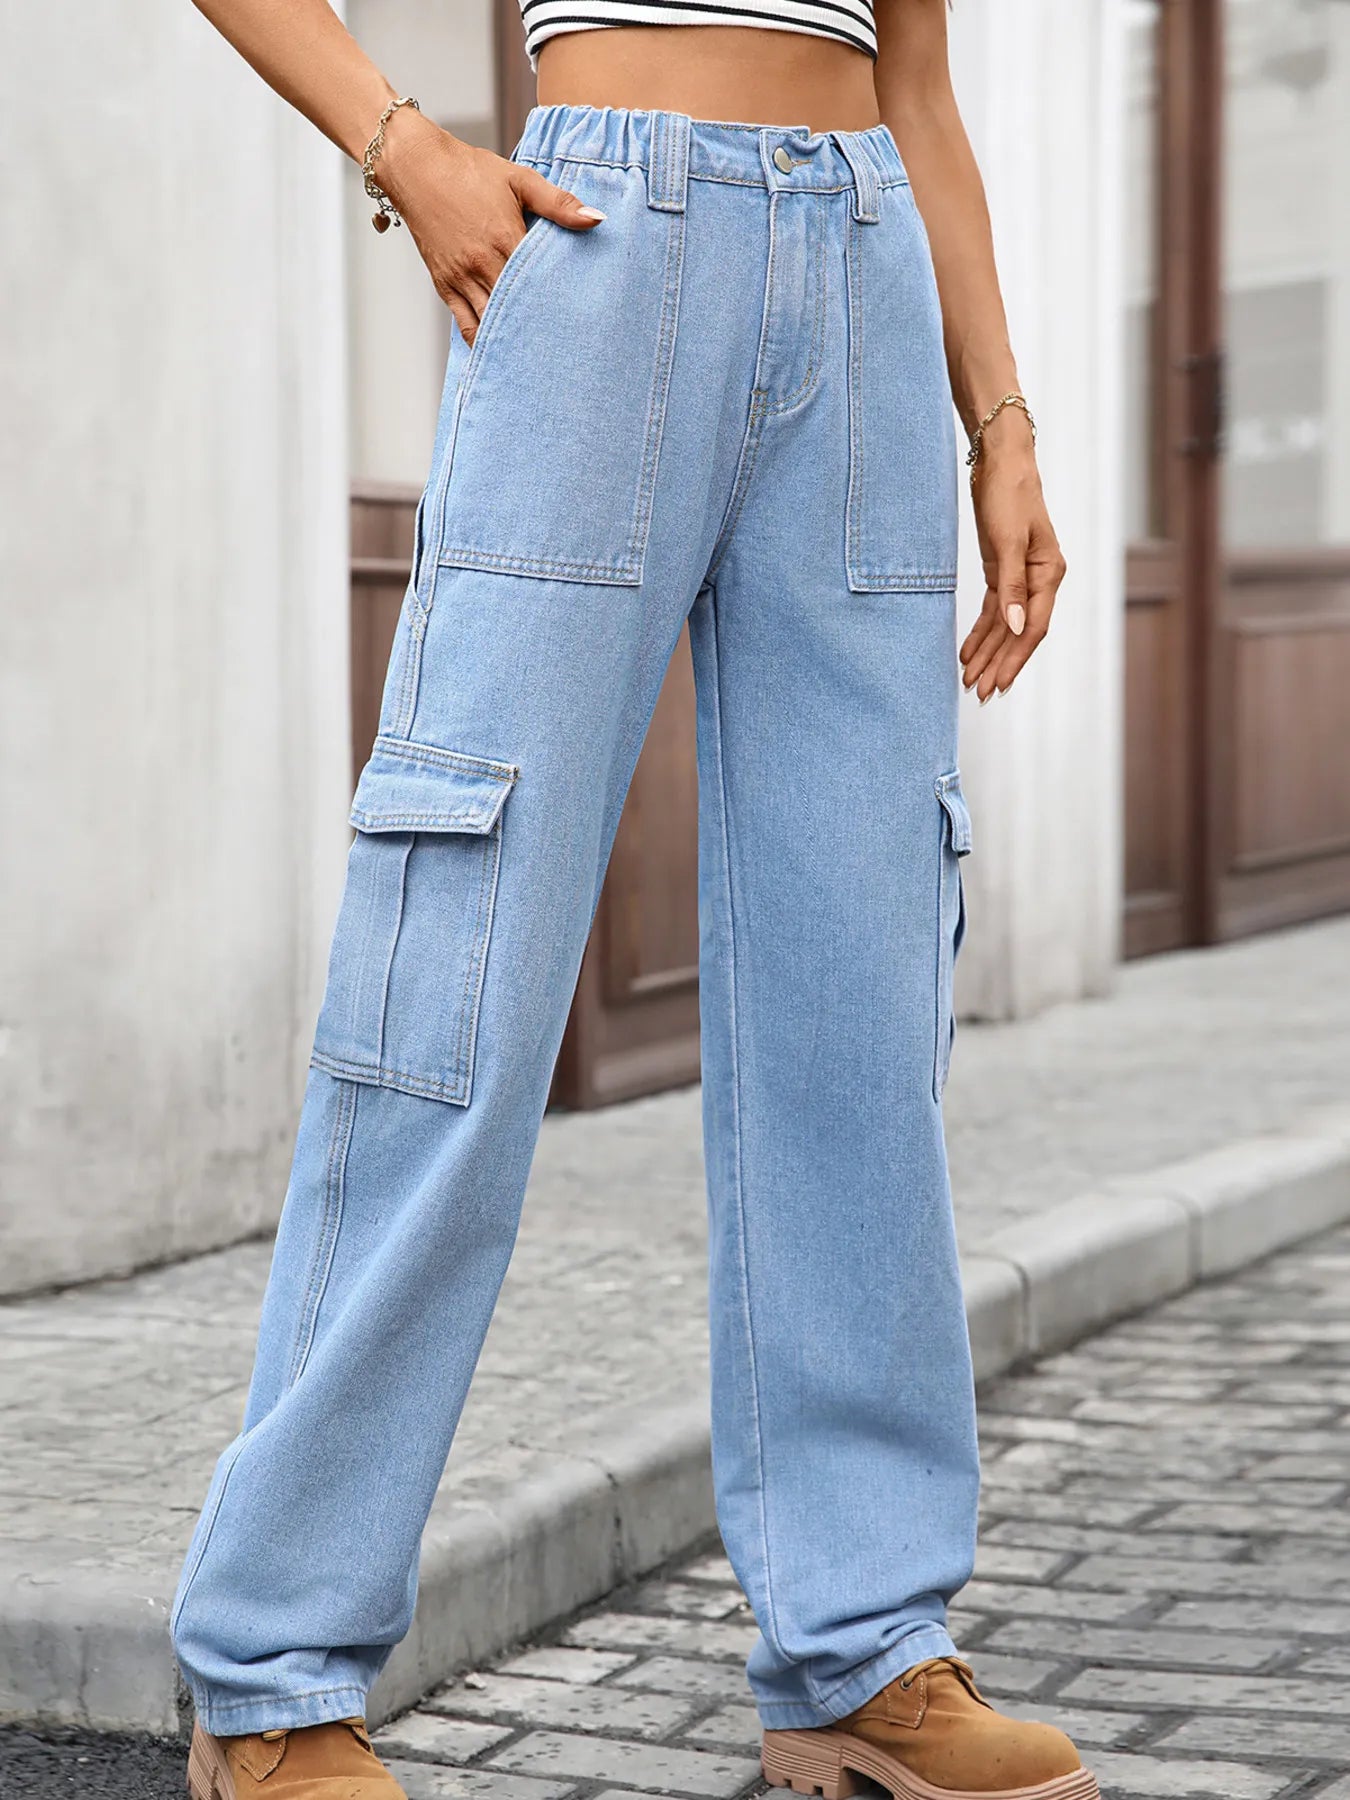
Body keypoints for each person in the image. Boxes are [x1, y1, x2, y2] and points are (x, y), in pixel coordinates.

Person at [171, 3, 1088, 1797]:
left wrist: (1004, 420)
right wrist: (402, 144)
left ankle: (860, 1648)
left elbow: (916, 84)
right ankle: (271, 1675)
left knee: (856, 981)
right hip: (597, 248)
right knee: (465, 955)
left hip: (866, 272)